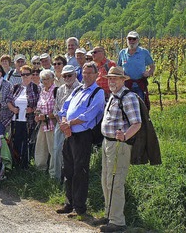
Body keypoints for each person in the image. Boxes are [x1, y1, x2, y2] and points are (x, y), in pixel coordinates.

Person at [56, 62, 105, 217]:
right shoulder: (78, 89)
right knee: (68, 169)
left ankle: (79, 207)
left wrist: (69, 123)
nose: (86, 76)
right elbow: (65, 107)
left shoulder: (98, 92)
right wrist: (64, 122)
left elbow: (89, 115)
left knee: (80, 171)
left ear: (96, 75)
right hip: (69, 134)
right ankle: (68, 203)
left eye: (90, 73)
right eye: (84, 73)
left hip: (83, 136)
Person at [96, 67, 141, 232]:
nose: (111, 81)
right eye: (109, 78)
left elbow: (137, 123)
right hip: (107, 143)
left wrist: (125, 136)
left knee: (115, 182)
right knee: (106, 180)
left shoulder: (128, 97)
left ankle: (118, 222)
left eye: (115, 78)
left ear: (123, 80)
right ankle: (109, 215)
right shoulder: (114, 96)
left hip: (118, 146)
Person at [51, 65, 81, 181]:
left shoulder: (80, 89)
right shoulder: (60, 89)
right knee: (57, 150)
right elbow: (56, 108)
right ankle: (57, 178)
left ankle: (71, 179)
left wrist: (69, 123)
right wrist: (60, 122)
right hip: (60, 124)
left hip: (75, 125)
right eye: (65, 76)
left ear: (75, 75)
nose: (67, 77)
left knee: (72, 153)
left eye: (69, 75)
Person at [7, 65, 39, 169]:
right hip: (16, 119)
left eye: (27, 74)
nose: (25, 76)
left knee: (26, 142)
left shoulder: (36, 88)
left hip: (28, 120)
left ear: (31, 75)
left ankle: (25, 165)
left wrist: (32, 109)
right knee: (15, 141)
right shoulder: (16, 87)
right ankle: (15, 164)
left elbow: (40, 104)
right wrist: (12, 108)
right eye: (23, 74)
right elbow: (8, 101)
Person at [118, 31, 155, 109]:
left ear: (138, 40)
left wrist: (148, 73)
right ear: (127, 40)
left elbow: (152, 66)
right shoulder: (122, 53)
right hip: (126, 84)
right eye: (129, 39)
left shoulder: (144, 52)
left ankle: (142, 121)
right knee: (126, 106)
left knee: (141, 106)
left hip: (139, 84)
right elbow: (119, 67)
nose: (131, 41)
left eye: (134, 39)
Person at [34, 70, 57, 172]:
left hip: (52, 124)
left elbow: (58, 110)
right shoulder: (42, 91)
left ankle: (54, 173)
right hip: (42, 124)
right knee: (41, 148)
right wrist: (37, 114)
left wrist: (47, 116)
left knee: (53, 149)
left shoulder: (56, 90)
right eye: (43, 79)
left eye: (48, 79)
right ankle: (40, 170)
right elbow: (40, 106)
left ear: (53, 79)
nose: (46, 81)